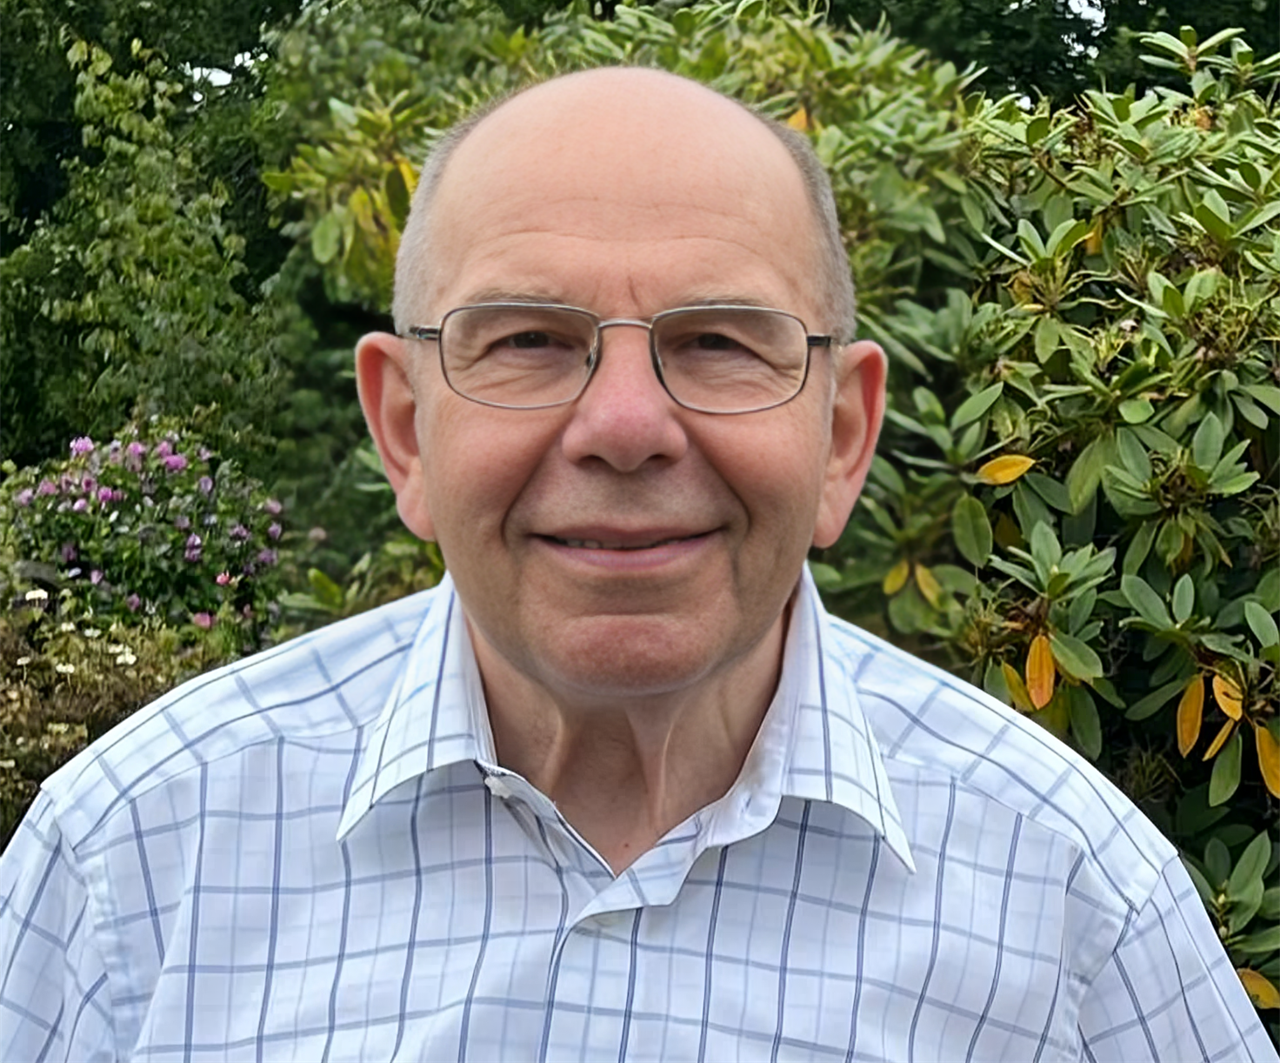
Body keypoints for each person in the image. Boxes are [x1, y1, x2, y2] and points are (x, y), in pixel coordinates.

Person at [0, 67, 1273, 1063]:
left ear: (841, 435)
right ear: (404, 429)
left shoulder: (1077, 900)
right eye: (527, 342)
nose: (622, 428)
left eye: (718, 342)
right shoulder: (128, 861)